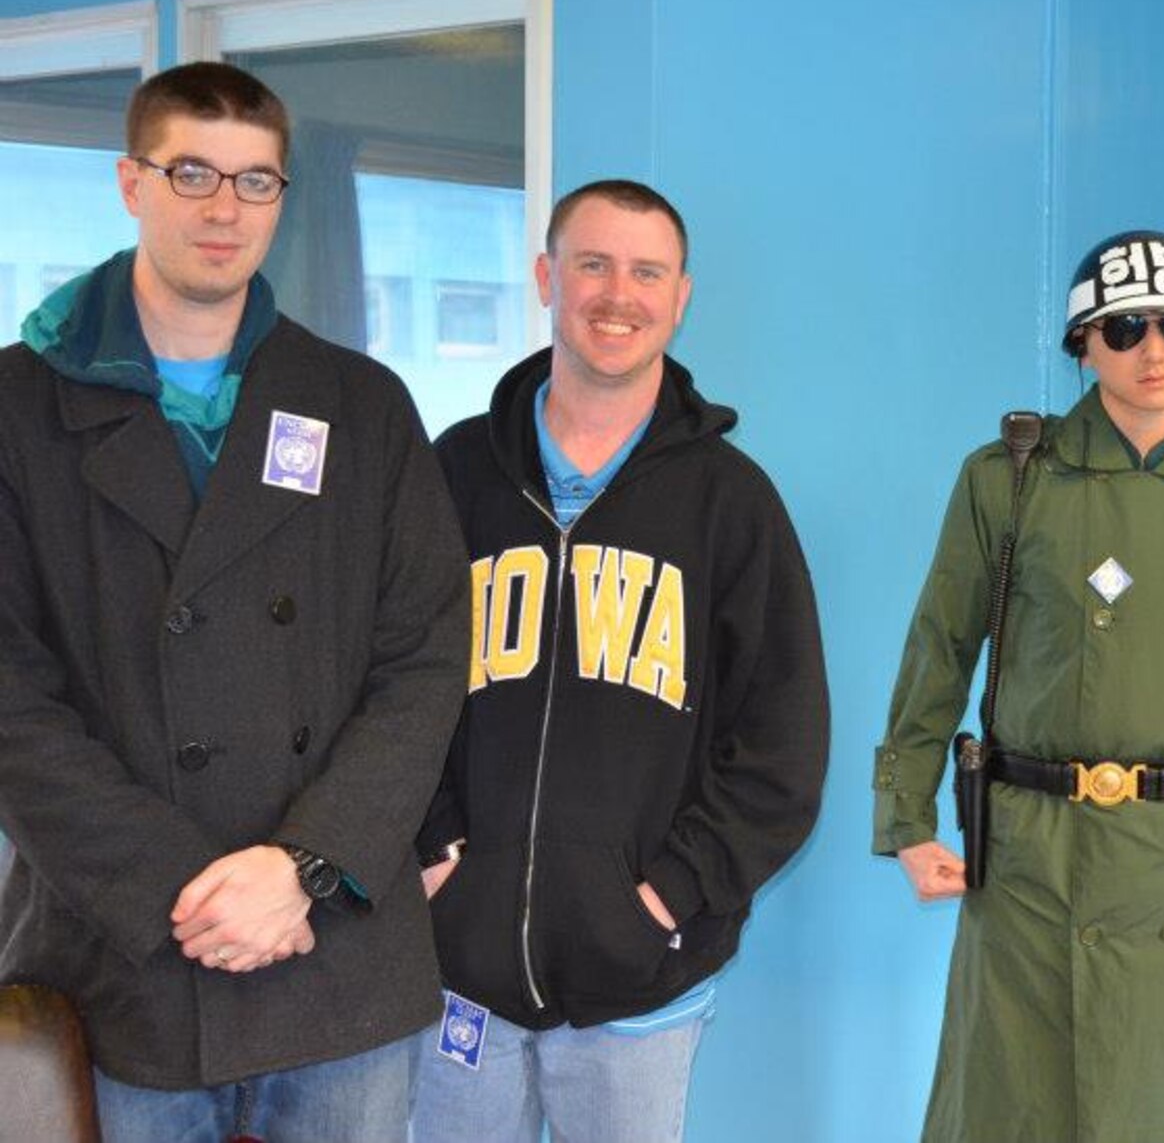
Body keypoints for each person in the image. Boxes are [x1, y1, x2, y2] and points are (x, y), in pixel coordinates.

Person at [0, 62, 469, 1139]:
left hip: (338, 955)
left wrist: (299, 869)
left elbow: (427, 659)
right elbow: (10, 702)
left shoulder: (361, 403)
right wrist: (194, 890)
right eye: (194, 171)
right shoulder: (17, 409)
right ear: (131, 181)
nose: (225, 209)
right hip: (126, 956)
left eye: (256, 182)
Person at [874, 230, 1164, 1143]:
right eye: (1124, 326)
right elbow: (938, 648)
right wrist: (907, 818)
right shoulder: (1006, 481)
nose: (1154, 351)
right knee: (1012, 1108)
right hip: (1025, 861)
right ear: (1082, 344)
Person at [411, 179, 830, 1143]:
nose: (618, 293)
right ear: (547, 277)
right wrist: (434, 853)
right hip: (458, 967)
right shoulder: (458, 470)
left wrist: (668, 896)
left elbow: (783, 740)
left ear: (680, 296)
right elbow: (391, 681)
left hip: (643, 982)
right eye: (593, 264)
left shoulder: (730, 501)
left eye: (647, 271)